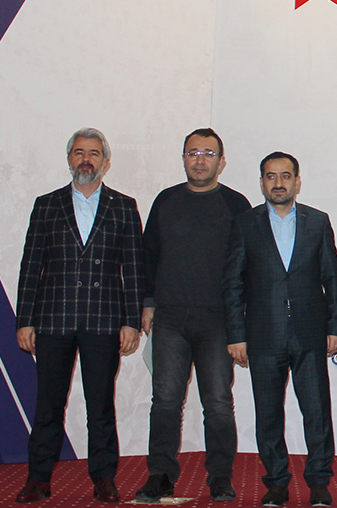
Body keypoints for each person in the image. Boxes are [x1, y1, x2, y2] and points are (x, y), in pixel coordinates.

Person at [14, 128, 146, 503]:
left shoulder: (124, 206)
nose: (85, 159)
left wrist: (131, 321)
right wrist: (25, 320)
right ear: (69, 159)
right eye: (78, 152)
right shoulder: (46, 205)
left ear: (106, 162)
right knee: (48, 406)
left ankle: (104, 479)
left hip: (104, 320)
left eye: (93, 153)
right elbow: (30, 266)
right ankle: (38, 479)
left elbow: (134, 269)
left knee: (100, 407)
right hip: (52, 320)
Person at [224, 152, 337, 508]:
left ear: (297, 181)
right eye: (271, 176)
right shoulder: (245, 224)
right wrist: (236, 334)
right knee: (268, 415)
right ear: (262, 182)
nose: (278, 183)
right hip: (263, 334)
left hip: (310, 333)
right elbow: (232, 284)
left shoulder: (317, 221)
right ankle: (276, 482)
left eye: (286, 176)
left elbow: (332, 278)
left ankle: (319, 481)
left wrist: (336, 325)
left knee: (317, 412)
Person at [136, 128, 251, 503]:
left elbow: (248, 264)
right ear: (184, 158)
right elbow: (148, 255)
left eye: (208, 153)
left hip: (218, 320)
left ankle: (220, 476)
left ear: (221, 161)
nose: (200, 160)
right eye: (193, 152)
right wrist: (148, 303)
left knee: (217, 403)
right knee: (165, 402)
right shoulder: (166, 201)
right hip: (169, 318)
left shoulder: (236, 204)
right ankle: (160, 475)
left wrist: (240, 320)